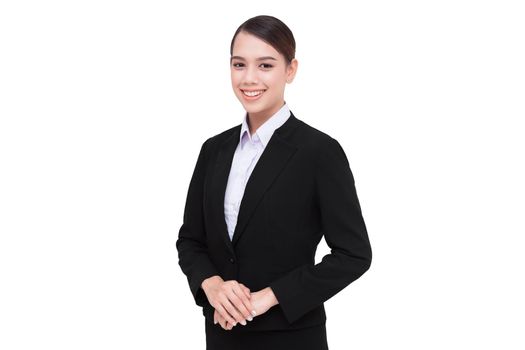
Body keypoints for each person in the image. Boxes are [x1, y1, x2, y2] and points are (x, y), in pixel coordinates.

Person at [176, 14, 372, 350]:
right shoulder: (214, 150)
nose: (249, 78)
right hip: (222, 335)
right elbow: (191, 241)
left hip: (291, 337)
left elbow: (354, 254)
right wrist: (212, 286)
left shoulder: (318, 151)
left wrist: (269, 297)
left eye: (265, 65)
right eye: (239, 65)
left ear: (290, 70)